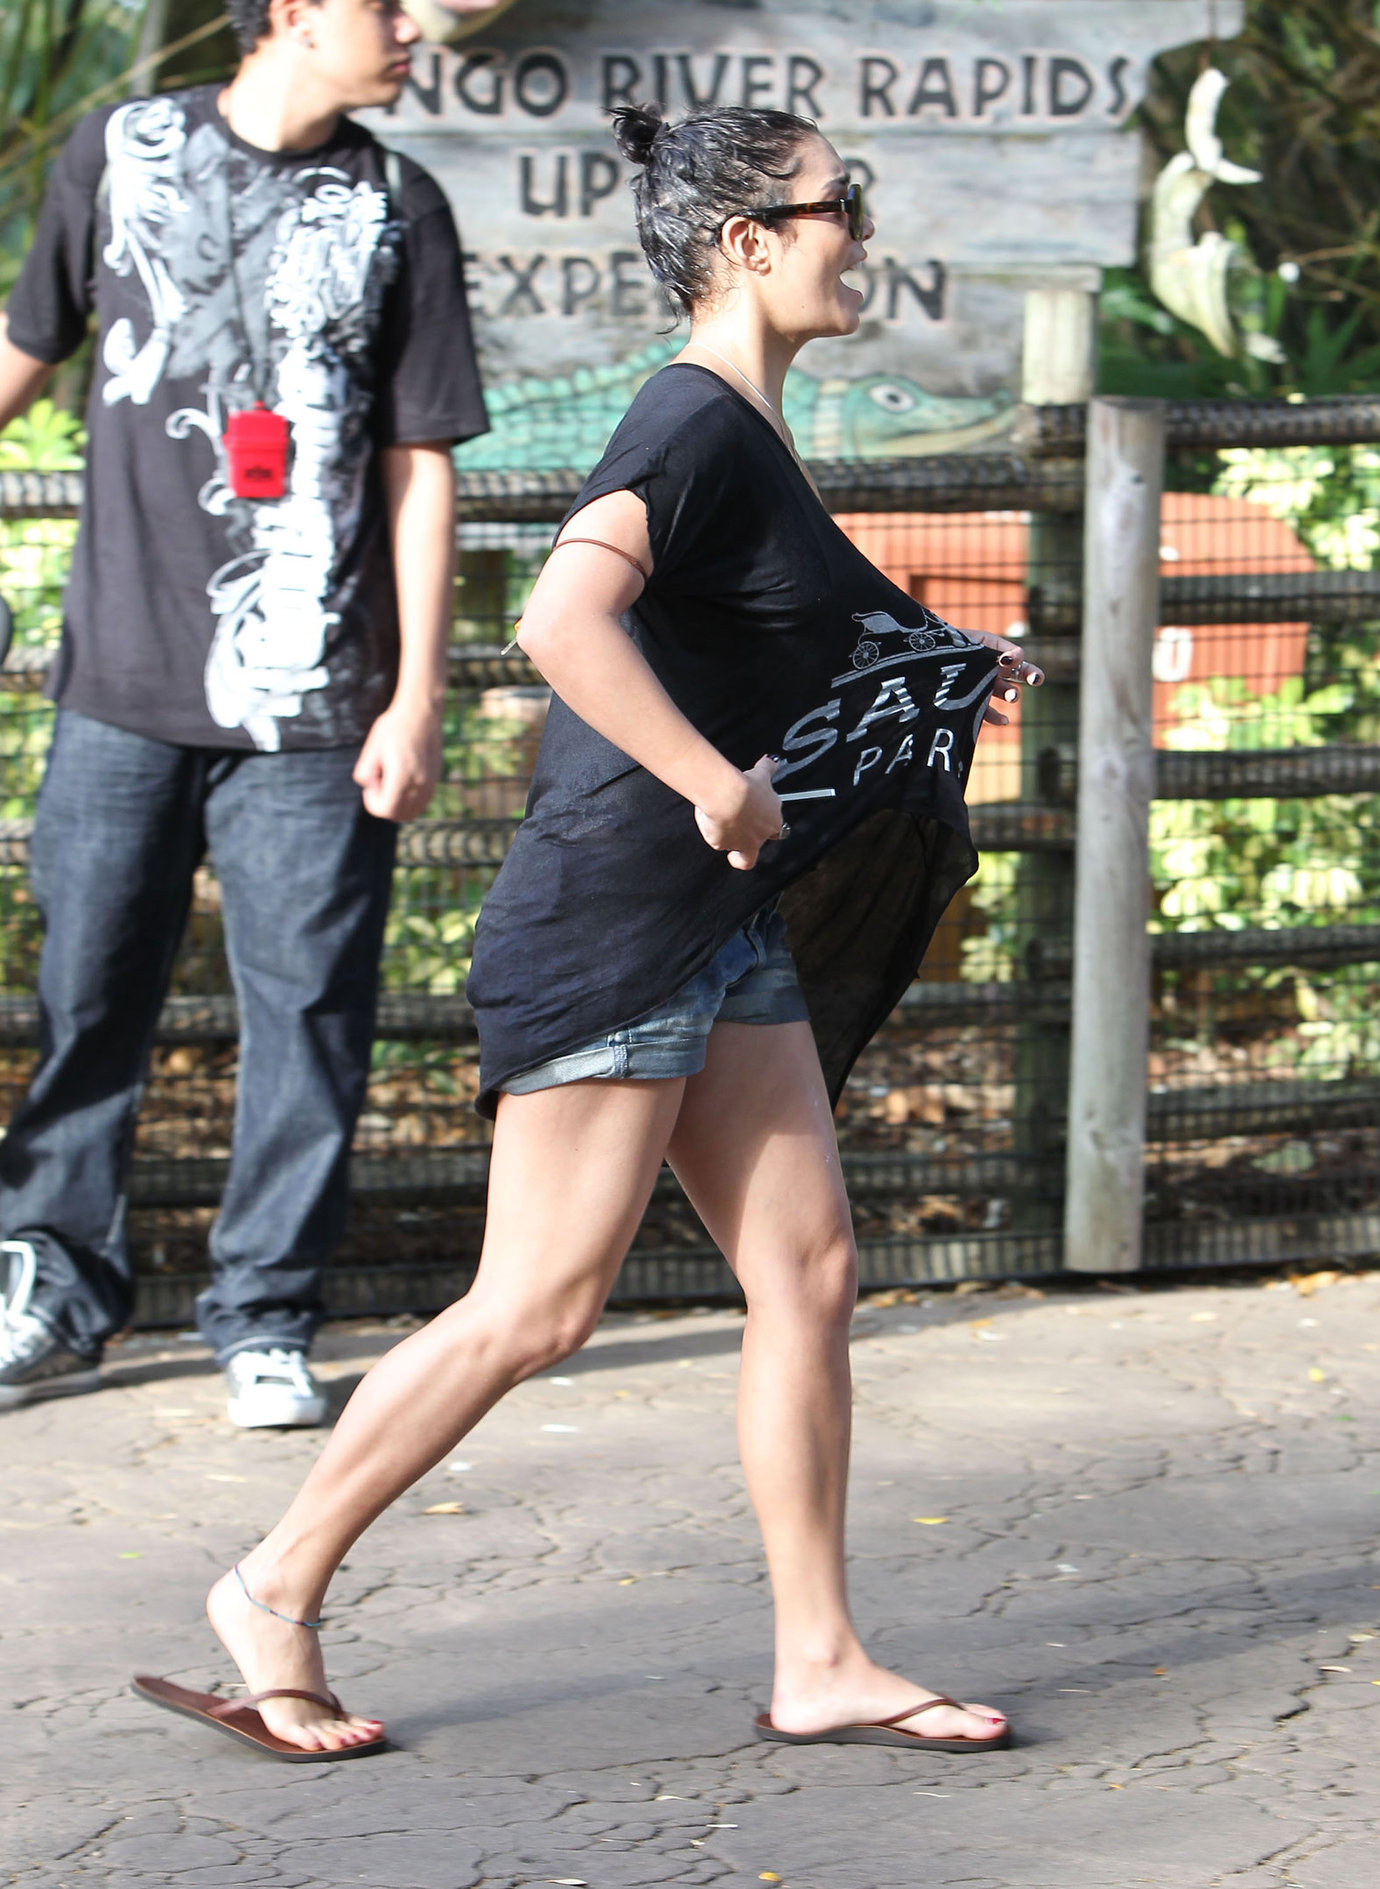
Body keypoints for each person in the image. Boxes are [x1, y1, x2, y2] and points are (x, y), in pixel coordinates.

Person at [134, 100, 1043, 1760]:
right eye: (844, 202)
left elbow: (770, 632)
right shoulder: (689, 421)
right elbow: (563, 616)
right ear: (748, 243)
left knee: (809, 1271)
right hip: (623, 918)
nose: (865, 227)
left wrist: (935, 661)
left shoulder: (746, 437)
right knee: (538, 1302)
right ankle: (272, 1581)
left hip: (719, 920)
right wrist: (712, 783)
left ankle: (821, 1655)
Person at [0, 0, 487, 1426]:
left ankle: (265, 1315)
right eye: (385, 5)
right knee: (86, 999)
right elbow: (29, 342)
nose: (416, 27)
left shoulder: (401, 200)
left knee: (310, 1019)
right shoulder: (120, 146)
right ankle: (52, 1284)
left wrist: (416, 692)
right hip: (120, 691)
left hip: (319, 704)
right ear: (289, 11)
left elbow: (419, 464)